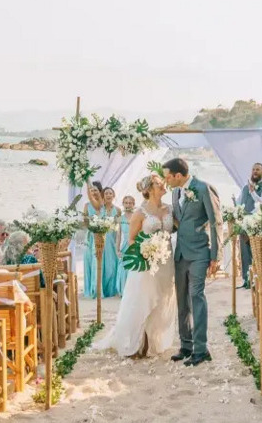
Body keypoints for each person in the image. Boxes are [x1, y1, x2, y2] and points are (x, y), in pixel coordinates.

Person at [94, 174, 176, 357]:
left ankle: (153, 340)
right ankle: (137, 342)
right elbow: (131, 239)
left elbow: (177, 228)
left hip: (166, 261)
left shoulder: (170, 209)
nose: (163, 184)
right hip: (146, 262)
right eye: (158, 183)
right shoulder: (140, 212)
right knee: (142, 300)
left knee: (162, 299)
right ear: (149, 189)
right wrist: (145, 250)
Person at [162, 157, 220, 367]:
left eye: (168, 177)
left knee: (196, 296)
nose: (166, 181)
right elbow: (179, 222)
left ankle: (201, 349)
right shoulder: (175, 192)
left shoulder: (203, 188)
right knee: (182, 300)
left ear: (178, 175)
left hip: (199, 252)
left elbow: (215, 222)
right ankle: (186, 346)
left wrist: (215, 256)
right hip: (180, 253)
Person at [237, 162, 262, 288]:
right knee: (244, 252)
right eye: (253, 169)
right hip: (244, 224)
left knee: (256, 253)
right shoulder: (245, 187)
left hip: (258, 225)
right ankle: (246, 279)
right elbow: (239, 203)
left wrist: (254, 193)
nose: (255, 172)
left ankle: (257, 281)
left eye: (257, 169)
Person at [101, 187, 122, 296]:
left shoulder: (118, 210)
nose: (108, 195)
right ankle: (103, 289)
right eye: (106, 193)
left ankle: (112, 289)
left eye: (110, 193)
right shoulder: (100, 209)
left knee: (112, 264)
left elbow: (119, 227)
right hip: (102, 239)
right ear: (103, 196)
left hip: (113, 239)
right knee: (103, 264)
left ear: (113, 196)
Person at [115, 194, 135, 296]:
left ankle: (132, 291)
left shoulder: (136, 216)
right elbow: (118, 235)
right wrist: (117, 249)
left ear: (133, 204)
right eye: (126, 203)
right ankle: (123, 290)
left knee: (133, 267)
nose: (128, 205)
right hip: (124, 246)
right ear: (123, 204)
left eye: (130, 203)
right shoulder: (120, 218)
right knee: (123, 267)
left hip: (134, 244)